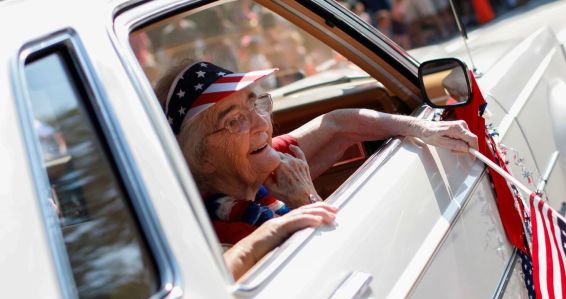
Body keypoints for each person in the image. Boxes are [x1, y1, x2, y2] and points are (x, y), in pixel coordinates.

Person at [155, 60, 477, 279]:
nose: (259, 123)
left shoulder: (255, 164)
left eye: (254, 103)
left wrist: (422, 128)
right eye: (234, 119)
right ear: (202, 156)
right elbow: (341, 272)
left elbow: (337, 124)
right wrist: (304, 200)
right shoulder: (220, 239)